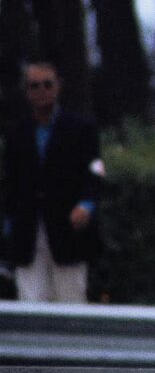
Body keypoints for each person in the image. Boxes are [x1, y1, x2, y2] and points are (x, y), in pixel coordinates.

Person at [2, 62, 103, 303]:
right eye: (34, 86)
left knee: (72, 299)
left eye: (48, 84)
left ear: (58, 86)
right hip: (28, 231)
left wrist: (87, 204)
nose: (42, 90)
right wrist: (9, 222)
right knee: (30, 300)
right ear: (27, 92)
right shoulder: (17, 133)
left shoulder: (81, 128)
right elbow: (10, 181)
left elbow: (96, 171)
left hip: (68, 228)